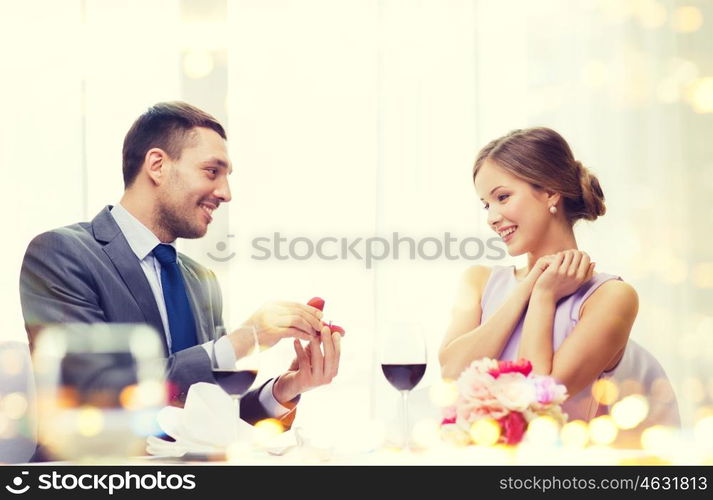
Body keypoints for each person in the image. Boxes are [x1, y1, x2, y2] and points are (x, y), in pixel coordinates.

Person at [20, 101, 341, 429]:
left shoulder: (201, 279)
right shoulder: (61, 254)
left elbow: (210, 414)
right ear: (157, 165)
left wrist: (287, 388)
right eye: (212, 171)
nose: (226, 193)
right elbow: (97, 391)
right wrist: (246, 339)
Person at [439, 127, 675, 423]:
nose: (492, 218)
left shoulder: (611, 297)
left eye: (503, 197)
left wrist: (544, 296)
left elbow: (537, 399)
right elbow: (451, 374)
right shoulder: (478, 281)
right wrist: (527, 289)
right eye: (487, 204)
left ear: (550, 192)